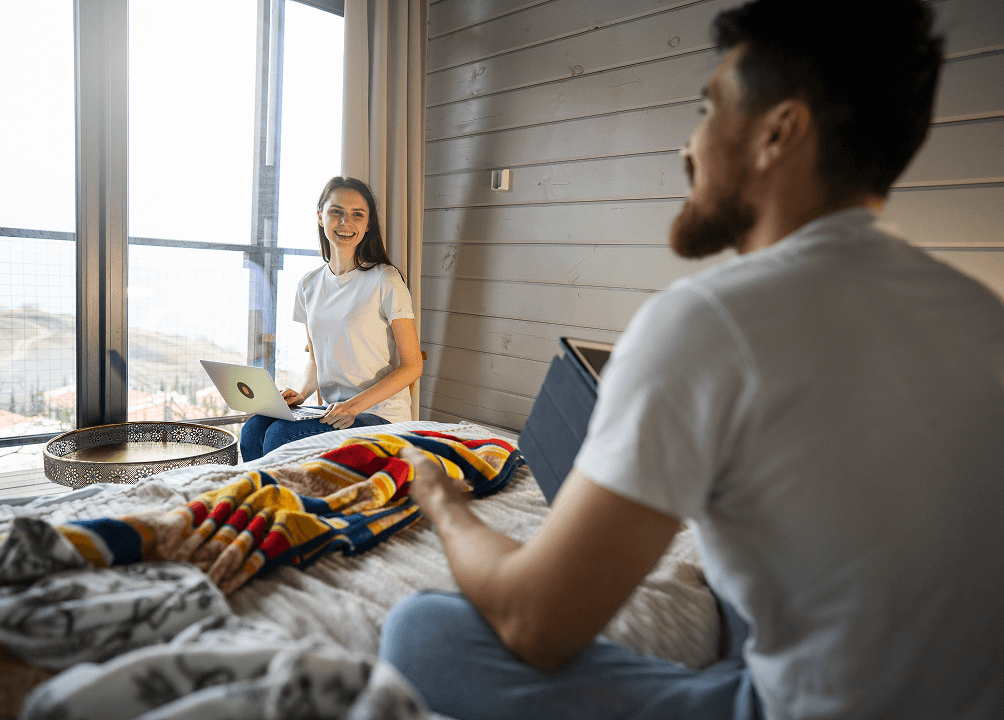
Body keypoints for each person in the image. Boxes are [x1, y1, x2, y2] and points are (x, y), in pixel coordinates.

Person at [380, 1, 1004, 719]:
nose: (689, 147)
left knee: (421, 631)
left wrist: (441, 501)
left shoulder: (708, 320)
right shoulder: (981, 315)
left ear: (779, 132)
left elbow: (535, 624)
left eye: (708, 110)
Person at [240, 177, 423, 461]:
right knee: (254, 428)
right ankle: (259, 498)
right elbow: (316, 360)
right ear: (320, 216)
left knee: (280, 436)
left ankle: (284, 500)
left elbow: (413, 366)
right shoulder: (309, 284)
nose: (345, 222)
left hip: (378, 416)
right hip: (332, 411)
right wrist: (301, 392)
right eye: (336, 211)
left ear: (368, 224)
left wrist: (353, 406)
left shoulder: (386, 280)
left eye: (357, 214)